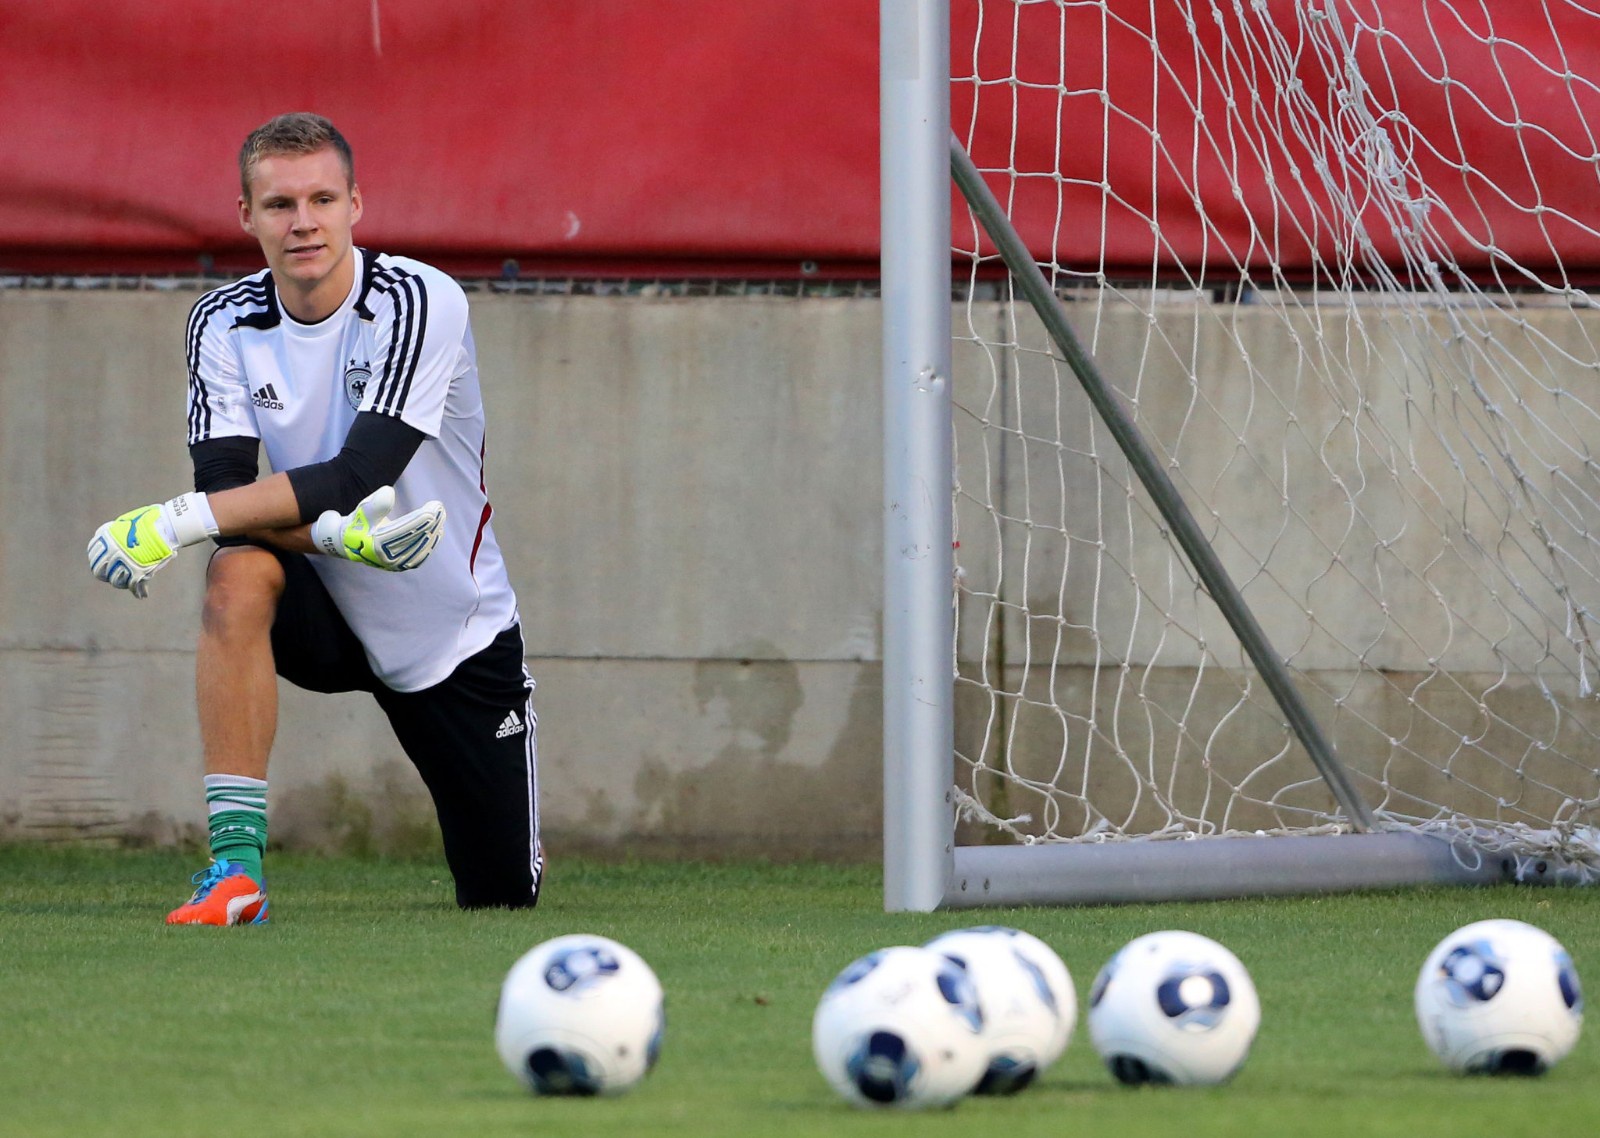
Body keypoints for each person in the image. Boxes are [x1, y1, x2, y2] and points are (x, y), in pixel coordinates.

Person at [86, 112, 543, 923]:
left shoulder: (419, 299)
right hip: (323, 602)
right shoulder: (221, 321)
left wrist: (165, 523)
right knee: (236, 571)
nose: (303, 222)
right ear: (246, 216)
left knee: (503, 896)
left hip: (446, 625)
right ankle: (236, 872)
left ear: (355, 205)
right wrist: (330, 538)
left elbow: (357, 475)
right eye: (279, 204)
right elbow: (229, 496)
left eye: (322, 200)